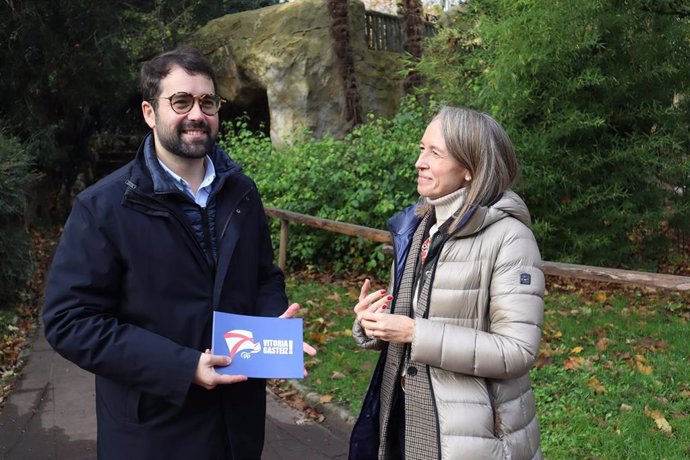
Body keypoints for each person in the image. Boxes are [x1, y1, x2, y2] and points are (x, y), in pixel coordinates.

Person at [43, 45, 314, 460]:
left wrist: (274, 331)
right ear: (150, 113)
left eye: (208, 102)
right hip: (153, 431)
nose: (197, 114)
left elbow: (263, 275)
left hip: (236, 425)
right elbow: (69, 321)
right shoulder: (103, 207)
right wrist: (181, 365)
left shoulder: (241, 193)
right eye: (181, 101)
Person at [349, 106, 545, 459]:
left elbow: (518, 351)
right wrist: (373, 323)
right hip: (403, 422)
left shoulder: (510, 238)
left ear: (470, 169)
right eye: (422, 149)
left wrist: (414, 332)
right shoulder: (421, 227)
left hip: (472, 440)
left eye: (435, 153)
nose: (419, 162)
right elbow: (409, 321)